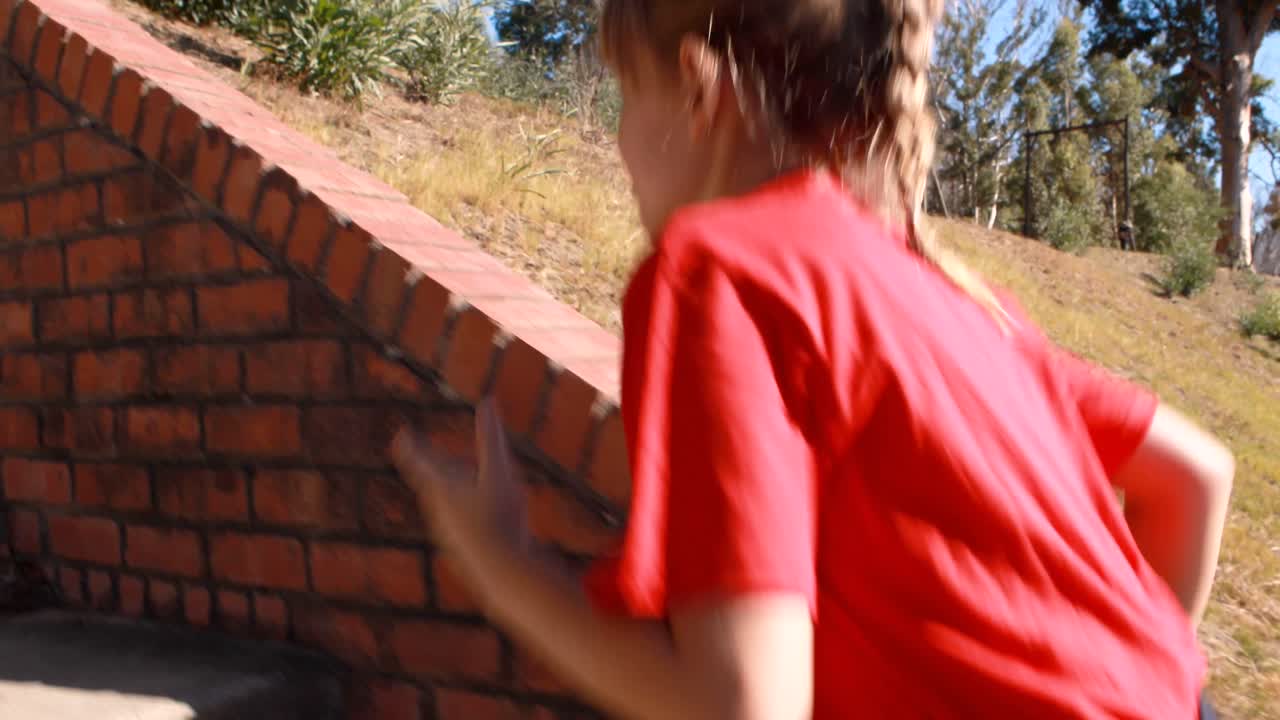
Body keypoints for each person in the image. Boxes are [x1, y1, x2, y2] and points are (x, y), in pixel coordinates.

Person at [390, 0, 1235, 717]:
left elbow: (739, 706)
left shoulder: (726, 269)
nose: (618, 143)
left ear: (698, 87)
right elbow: (1195, 478)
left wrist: (505, 567)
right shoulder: (958, 299)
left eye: (625, 96)